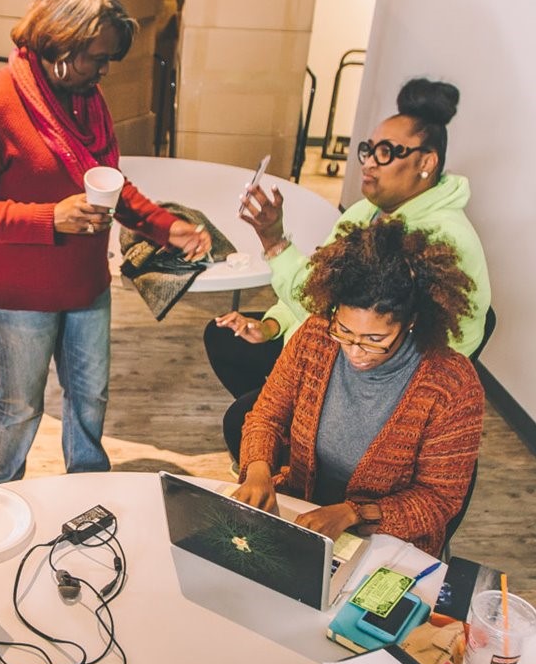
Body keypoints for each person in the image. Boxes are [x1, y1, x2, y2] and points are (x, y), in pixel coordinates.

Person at [0, 0, 211, 482]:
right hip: (18, 292)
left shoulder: (84, 99)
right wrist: (50, 217)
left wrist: (164, 227)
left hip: (85, 283)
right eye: (98, 57)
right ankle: (1, 491)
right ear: (62, 44)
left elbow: (107, 182)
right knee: (20, 404)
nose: (106, 70)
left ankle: (86, 485)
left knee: (90, 396)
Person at [205, 77, 492, 414]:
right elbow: (318, 283)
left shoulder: (438, 240)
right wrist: (272, 325)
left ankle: (298, 426)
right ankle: (288, 419)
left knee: (242, 417)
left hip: (387, 383)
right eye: (368, 150)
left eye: (386, 153)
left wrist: (274, 241)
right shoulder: (368, 211)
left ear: (426, 162)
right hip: (336, 343)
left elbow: (330, 310)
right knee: (223, 338)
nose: (368, 162)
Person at [234, 219, 483, 557]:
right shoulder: (315, 338)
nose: (354, 351)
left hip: (387, 542)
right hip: (300, 514)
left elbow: (439, 499)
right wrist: (259, 469)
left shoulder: (451, 385)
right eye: (344, 331)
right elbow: (267, 415)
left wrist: (354, 513)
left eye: (374, 340)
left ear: (410, 322)